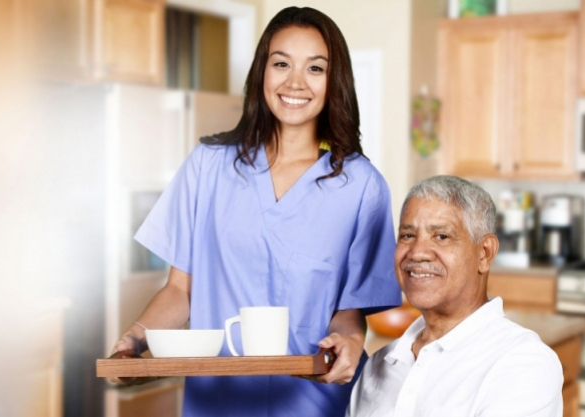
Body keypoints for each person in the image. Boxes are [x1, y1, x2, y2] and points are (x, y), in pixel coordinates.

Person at [108, 6, 401, 416]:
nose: (295, 82)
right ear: (262, 72)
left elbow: (347, 312)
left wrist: (351, 342)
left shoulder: (361, 186)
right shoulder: (208, 166)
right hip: (216, 402)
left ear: (334, 82)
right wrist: (134, 339)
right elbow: (180, 290)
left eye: (315, 69)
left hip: (312, 403)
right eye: (281, 64)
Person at [347, 175, 563, 416]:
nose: (417, 253)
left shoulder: (523, 363)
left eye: (441, 236)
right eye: (408, 235)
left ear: (485, 253)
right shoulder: (377, 367)